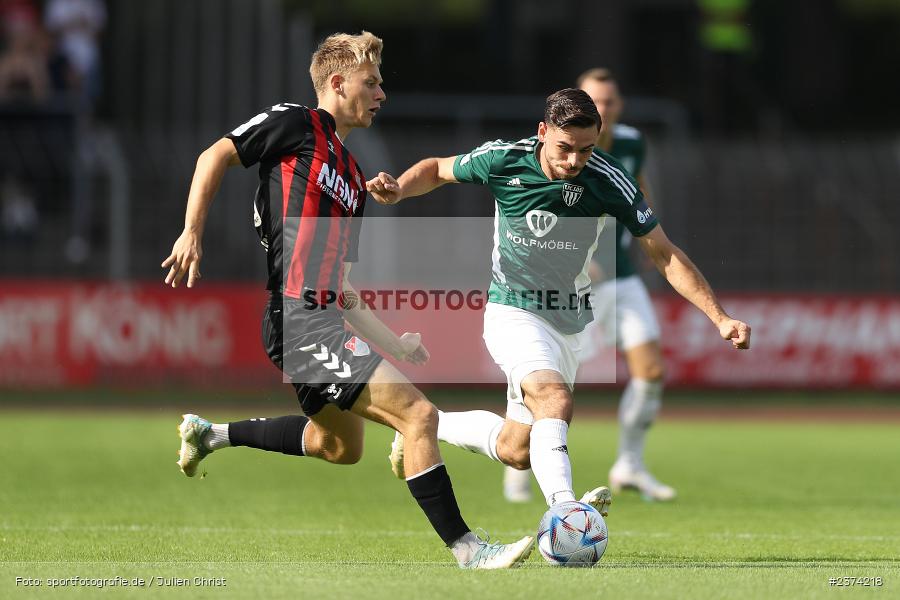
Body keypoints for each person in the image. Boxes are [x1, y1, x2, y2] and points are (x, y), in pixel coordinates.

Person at [161, 31, 533, 570]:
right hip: (297, 321)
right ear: (337, 84)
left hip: (321, 320)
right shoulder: (296, 122)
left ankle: (209, 433)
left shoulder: (355, 180)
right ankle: (470, 550)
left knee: (340, 448)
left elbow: (343, 288)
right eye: (372, 82)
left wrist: (394, 344)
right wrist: (191, 231)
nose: (382, 93)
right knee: (420, 417)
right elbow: (215, 154)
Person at [370, 88, 750, 514]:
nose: (573, 161)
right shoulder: (504, 159)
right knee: (554, 399)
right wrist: (399, 189)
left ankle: (422, 423)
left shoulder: (608, 179)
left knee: (517, 449)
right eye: (564, 148)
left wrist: (719, 317)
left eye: (585, 150)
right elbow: (438, 169)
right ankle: (567, 514)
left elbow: (662, 252)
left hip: (568, 320)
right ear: (542, 132)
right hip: (512, 309)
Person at [502, 68, 676, 503]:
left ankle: (630, 464)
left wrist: (649, 237)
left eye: (611, 102)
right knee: (547, 384)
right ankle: (517, 465)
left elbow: (638, 189)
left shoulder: (632, 144)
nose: (604, 109)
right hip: (570, 283)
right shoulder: (552, 155)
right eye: (596, 101)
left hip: (622, 276)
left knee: (651, 371)